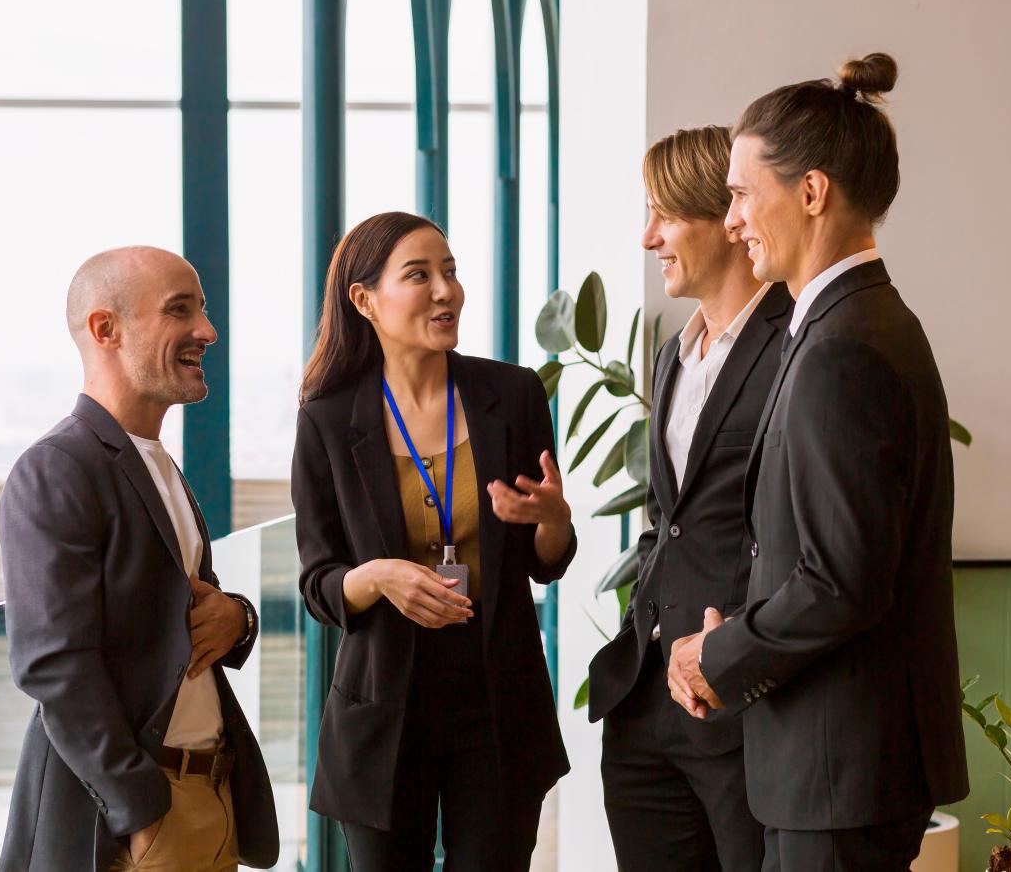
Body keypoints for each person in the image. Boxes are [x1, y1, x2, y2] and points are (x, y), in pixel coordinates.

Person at [667, 53, 969, 870]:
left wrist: (718, 656)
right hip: (838, 767)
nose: (730, 220)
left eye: (739, 194)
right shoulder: (853, 324)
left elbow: (843, 581)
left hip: (841, 769)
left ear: (810, 193)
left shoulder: (845, 348)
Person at [291, 211, 577, 871]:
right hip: (383, 714)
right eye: (419, 275)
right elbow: (317, 582)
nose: (445, 290)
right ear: (365, 300)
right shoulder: (329, 421)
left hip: (498, 703)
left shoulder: (513, 394)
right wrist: (379, 577)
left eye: (449, 271)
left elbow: (544, 563)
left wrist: (554, 522)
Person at [0, 246, 278, 872]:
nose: (207, 331)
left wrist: (240, 619)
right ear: (106, 330)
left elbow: (191, 610)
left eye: (202, 310)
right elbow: (51, 663)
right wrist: (140, 811)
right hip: (132, 822)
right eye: (181, 311)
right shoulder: (57, 468)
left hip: (209, 795)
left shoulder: (155, 463)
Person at [588, 126, 791, 870]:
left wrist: (733, 652)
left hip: (739, 704)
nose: (650, 238)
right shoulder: (676, 350)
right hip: (644, 704)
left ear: (727, 221)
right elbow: (666, 524)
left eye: (664, 215)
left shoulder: (795, 346)